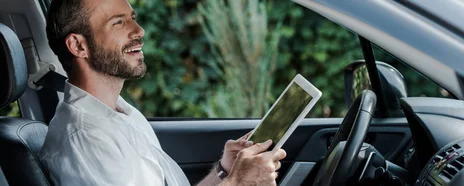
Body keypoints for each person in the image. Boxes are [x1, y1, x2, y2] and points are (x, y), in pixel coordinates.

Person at [39, 0, 287, 185]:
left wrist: (225, 171)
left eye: (132, 17)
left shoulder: (120, 112)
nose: (138, 30)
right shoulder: (87, 140)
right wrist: (239, 183)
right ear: (78, 45)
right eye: (118, 22)